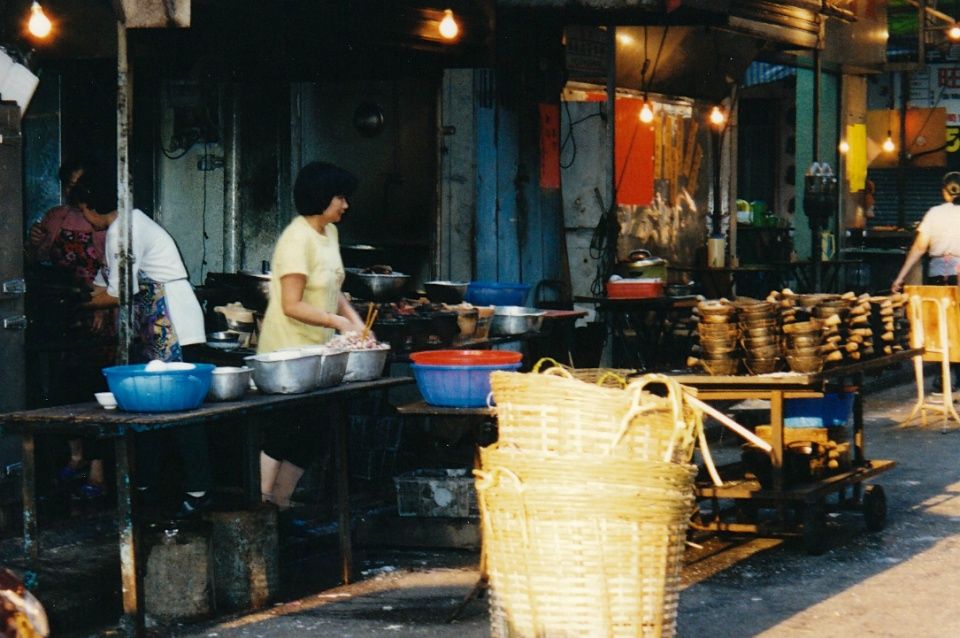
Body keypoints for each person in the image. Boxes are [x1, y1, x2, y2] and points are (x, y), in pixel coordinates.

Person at [77, 170, 215, 517]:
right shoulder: (128, 224)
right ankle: (150, 487)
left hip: (175, 324)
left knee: (183, 409)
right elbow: (107, 280)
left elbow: (117, 293)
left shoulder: (121, 231)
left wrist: (76, 304)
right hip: (163, 323)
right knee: (155, 405)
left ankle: (197, 492)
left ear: (89, 206)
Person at [257, 161, 366, 510]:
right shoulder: (296, 238)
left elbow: (333, 286)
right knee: (283, 429)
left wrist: (356, 321)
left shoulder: (329, 233)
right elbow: (291, 304)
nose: (345, 205)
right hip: (286, 349)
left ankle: (282, 503)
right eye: (340, 197)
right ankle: (262, 506)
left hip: (316, 350)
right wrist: (339, 323)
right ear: (321, 197)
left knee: (314, 432)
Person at [24, 158, 112, 499]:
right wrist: (32, 244)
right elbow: (33, 260)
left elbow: (114, 271)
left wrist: (105, 308)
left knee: (98, 391)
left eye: (82, 185)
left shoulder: (102, 218)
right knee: (67, 389)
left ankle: (98, 471)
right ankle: (76, 458)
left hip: (102, 314)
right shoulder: (55, 218)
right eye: (71, 186)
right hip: (65, 315)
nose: (77, 193)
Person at [892, 171, 960, 392]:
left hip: (937, 275)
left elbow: (919, 247)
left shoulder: (934, 214)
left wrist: (900, 277)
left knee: (939, 324)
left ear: (943, 191)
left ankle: (944, 376)